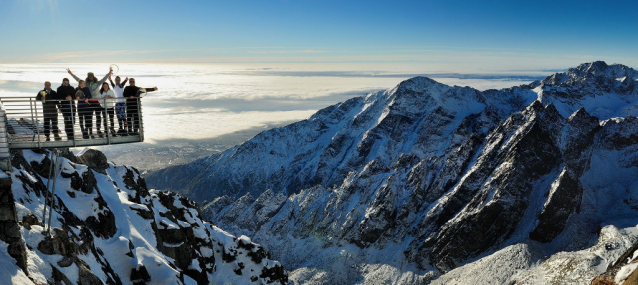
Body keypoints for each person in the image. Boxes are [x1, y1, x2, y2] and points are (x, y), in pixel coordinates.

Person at [68, 68, 112, 137]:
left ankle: (98, 129)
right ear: (88, 77)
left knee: (98, 117)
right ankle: (89, 131)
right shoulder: (86, 84)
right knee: (89, 118)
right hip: (88, 103)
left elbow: (104, 79)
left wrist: (109, 73)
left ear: (93, 77)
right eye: (89, 76)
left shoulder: (97, 83)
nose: (91, 77)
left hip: (96, 102)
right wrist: (71, 74)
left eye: (92, 76)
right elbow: (78, 80)